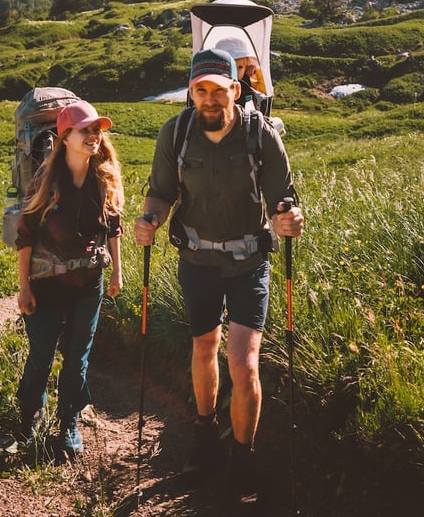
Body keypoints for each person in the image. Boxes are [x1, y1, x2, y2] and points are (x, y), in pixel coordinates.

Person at [134, 47, 304, 505]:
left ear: (235, 88)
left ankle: (243, 458)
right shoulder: (176, 133)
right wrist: (149, 220)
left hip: (249, 263)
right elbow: (160, 194)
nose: (210, 99)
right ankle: (205, 436)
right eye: (201, 90)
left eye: (219, 89)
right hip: (197, 262)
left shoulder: (261, 134)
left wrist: (289, 220)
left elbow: (284, 201)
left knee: (243, 364)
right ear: (191, 92)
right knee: (204, 346)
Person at [15, 100, 124, 460]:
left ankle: (68, 423)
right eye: (85, 130)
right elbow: (25, 236)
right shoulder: (46, 182)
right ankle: (31, 414)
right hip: (46, 282)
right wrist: (24, 287)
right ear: (65, 137)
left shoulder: (103, 178)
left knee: (78, 358)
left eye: (96, 130)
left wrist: (117, 272)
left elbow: (113, 227)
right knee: (42, 354)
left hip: (88, 283)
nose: (94, 136)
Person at [211, 35, 268, 113]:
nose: (235, 72)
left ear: (246, 68)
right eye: (229, 67)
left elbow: (264, 89)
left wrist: (257, 71)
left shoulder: (249, 85)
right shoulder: (212, 83)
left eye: (240, 67)